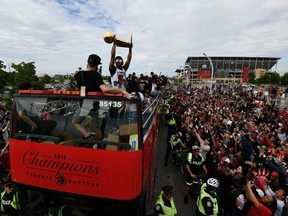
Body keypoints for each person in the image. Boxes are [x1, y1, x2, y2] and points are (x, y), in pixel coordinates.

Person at [72, 54, 131, 139]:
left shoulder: (78, 75)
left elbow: (74, 75)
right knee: (97, 127)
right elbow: (105, 89)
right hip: (96, 106)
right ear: (97, 65)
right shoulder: (96, 75)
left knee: (75, 122)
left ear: (87, 62)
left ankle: (87, 135)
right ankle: (97, 144)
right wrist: (122, 90)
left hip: (84, 105)